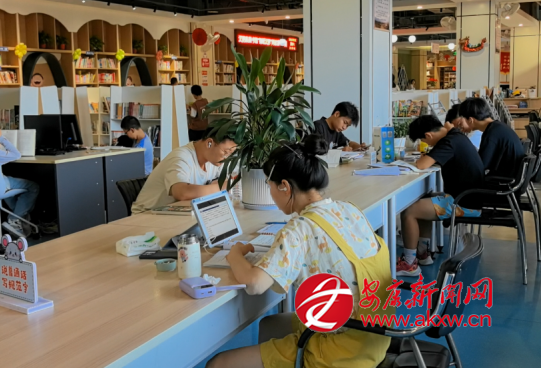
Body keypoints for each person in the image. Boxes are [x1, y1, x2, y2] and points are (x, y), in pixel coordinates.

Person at [206, 135, 393, 368]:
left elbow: (255, 284)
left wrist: (235, 254)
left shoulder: (299, 229)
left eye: (269, 186)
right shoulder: (349, 209)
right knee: (270, 325)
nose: (270, 193)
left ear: (284, 186)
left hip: (340, 351)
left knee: (218, 363)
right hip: (376, 335)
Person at [396, 116, 484, 276]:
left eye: (424, 141)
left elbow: (421, 164)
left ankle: (409, 263)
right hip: (471, 197)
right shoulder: (456, 136)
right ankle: (423, 253)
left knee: (409, 211)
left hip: (464, 202)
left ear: (428, 135)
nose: (426, 144)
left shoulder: (448, 142)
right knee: (422, 200)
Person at [131, 127, 236, 213]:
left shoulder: (213, 160)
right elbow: (182, 193)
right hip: (146, 216)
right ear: (209, 143)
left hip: (176, 213)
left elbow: (222, 182)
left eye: (231, 153)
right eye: (225, 152)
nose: (227, 157)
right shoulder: (181, 157)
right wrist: (221, 187)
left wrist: (221, 185)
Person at [458, 97, 525, 179]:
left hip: (503, 179)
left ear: (470, 120)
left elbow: (480, 165)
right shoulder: (498, 126)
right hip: (512, 176)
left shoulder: (491, 133)